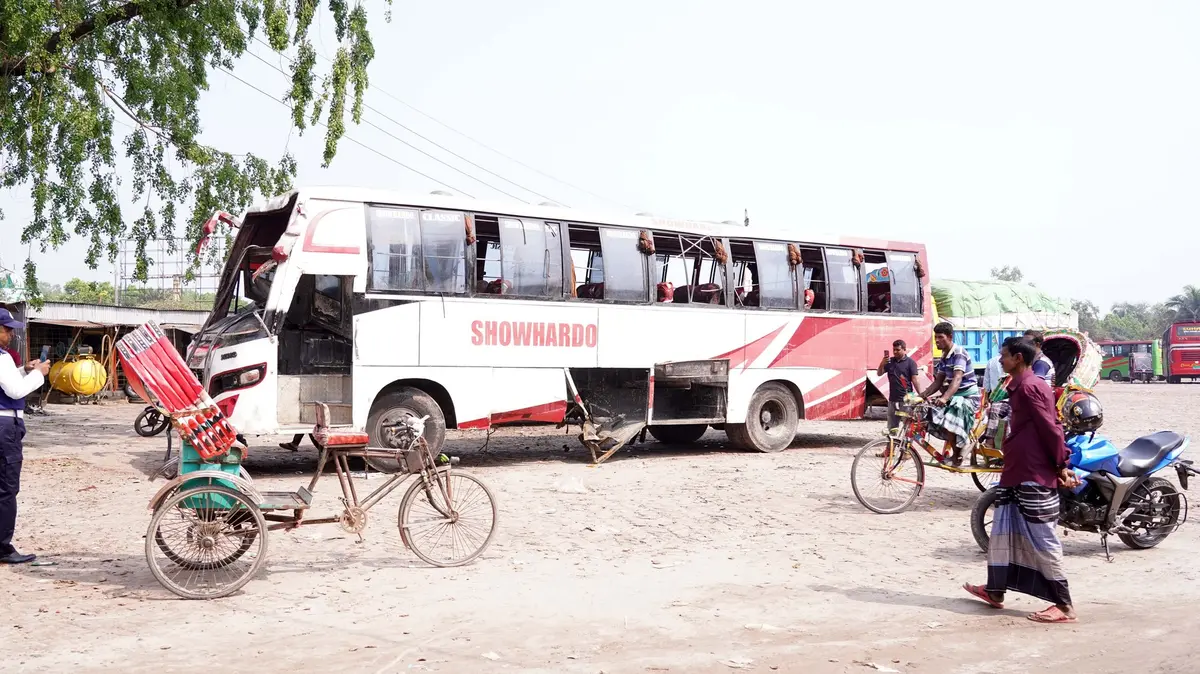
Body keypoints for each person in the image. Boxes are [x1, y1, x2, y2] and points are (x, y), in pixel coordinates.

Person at [963, 336, 1077, 624]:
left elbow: (1051, 429)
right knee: (1003, 533)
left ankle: (1063, 606)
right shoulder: (1018, 386)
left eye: (1004, 356)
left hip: (1033, 473)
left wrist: (1061, 463)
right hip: (1017, 472)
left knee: (1043, 539)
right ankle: (995, 591)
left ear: (1018, 359)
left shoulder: (1030, 387)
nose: (1000, 360)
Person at [0, 308, 49, 564]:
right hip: (5, 426)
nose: (9, 334)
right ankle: (3, 547)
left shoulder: (6, 360)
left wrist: (23, 369)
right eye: (6, 329)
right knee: (7, 489)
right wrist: (37, 375)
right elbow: (16, 391)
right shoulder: (2, 357)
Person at [918, 322, 981, 465]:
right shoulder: (944, 356)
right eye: (935, 337)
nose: (937, 340)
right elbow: (938, 381)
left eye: (941, 337)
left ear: (950, 337)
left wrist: (944, 398)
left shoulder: (959, 353)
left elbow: (957, 378)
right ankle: (955, 448)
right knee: (930, 414)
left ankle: (957, 455)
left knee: (950, 418)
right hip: (954, 396)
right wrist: (921, 396)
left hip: (968, 397)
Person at [877, 339, 919, 434]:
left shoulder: (911, 363)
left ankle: (906, 447)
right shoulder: (890, 361)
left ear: (904, 349)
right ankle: (891, 447)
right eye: (894, 350)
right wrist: (882, 363)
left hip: (908, 398)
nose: (895, 352)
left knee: (908, 427)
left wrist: (922, 395)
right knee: (892, 428)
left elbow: (915, 380)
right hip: (892, 399)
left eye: (898, 350)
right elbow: (879, 373)